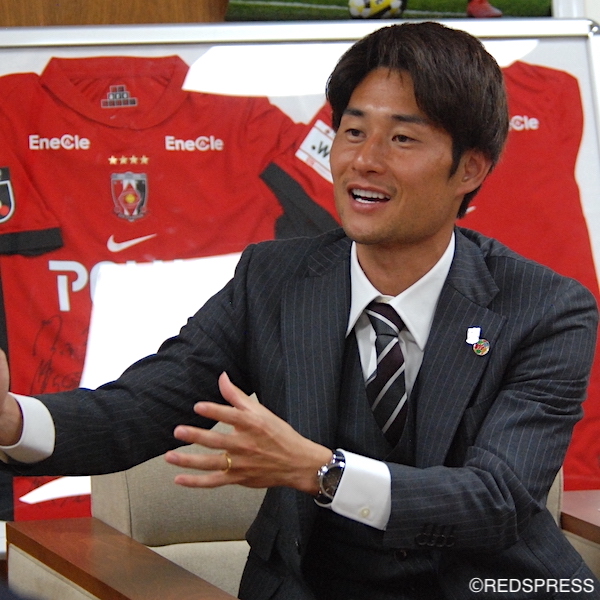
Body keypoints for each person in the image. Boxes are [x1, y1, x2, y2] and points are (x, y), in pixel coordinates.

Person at [0, 21, 597, 600]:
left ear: (470, 167)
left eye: (402, 139)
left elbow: (496, 501)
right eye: (353, 131)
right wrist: (12, 420)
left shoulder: (547, 309)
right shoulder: (273, 280)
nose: (364, 160)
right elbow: (138, 408)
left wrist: (322, 471)